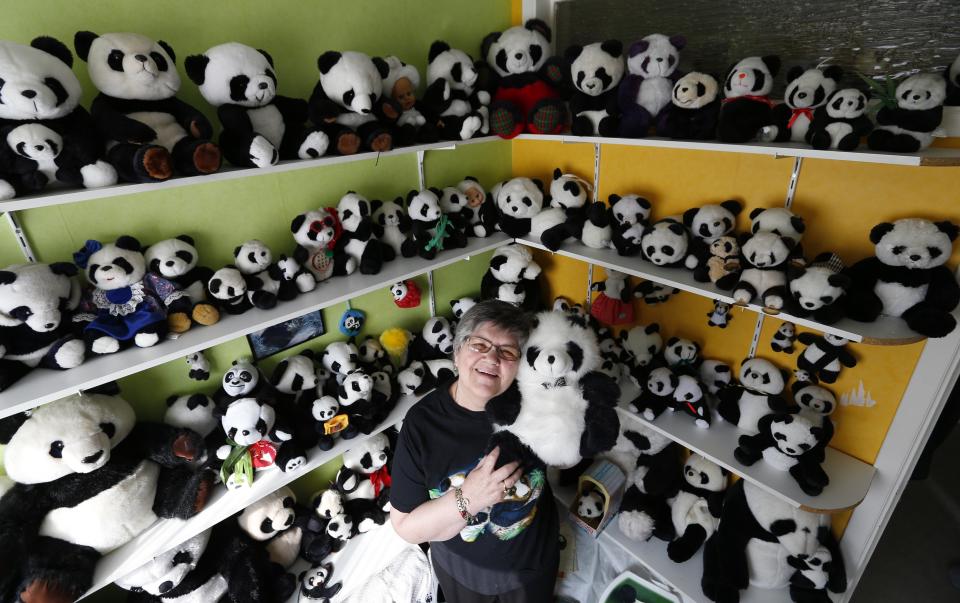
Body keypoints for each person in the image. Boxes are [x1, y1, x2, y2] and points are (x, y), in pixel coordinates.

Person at [390, 300, 560, 602]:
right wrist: (468, 498)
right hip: (462, 574)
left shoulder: (536, 404)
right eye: (480, 345)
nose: (492, 357)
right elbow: (405, 526)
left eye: (507, 352)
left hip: (533, 568)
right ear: (457, 353)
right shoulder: (422, 424)